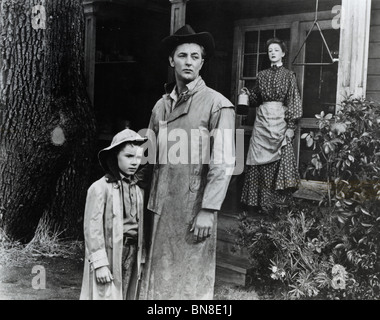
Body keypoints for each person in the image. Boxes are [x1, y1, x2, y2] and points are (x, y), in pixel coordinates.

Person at [140, 24, 235, 300]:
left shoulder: (218, 105)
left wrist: (208, 209)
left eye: (195, 56)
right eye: (182, 55)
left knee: (190, 283)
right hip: (160, 206)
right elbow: (148, 156)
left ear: (202, 62)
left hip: (194, 208)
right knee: (157, 281)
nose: (189, 62)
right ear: (172, 60)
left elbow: (224, 162)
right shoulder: (161, 106)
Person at [80, 128, 147, 300]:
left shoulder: (138, 190)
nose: (135, 162)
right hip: (110, 252)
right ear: (115, 156)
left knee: (127, 293)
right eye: (129, 156)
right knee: (106, 294)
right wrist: (100, 263)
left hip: (132, 251)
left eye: (138, 157)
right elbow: (92, 229)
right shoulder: (100, 188)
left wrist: (140, 256)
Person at [241, 38, 303, 213]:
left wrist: (291, 126)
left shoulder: (289, 76)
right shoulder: (262, 75)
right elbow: (256, 99)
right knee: (258, 162)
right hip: (262, 123)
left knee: (277, 162)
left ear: (283, 53)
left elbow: (293, 101)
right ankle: (259, 204)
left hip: (279, 122)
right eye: (270, 51)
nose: (273, 53)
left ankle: (276, 206)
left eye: (276, 50)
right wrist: (247, 94)